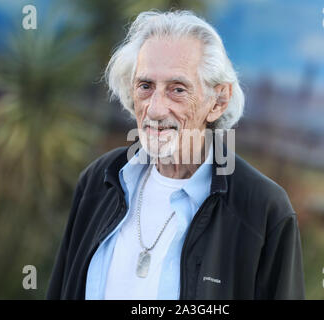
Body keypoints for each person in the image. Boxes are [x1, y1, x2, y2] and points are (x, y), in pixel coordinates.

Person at [47, 10, 305, 300]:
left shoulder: (264, 210)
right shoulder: (99, 180)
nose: (155, 109)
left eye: (177, 89)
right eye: (145, 86)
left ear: (218, 101)